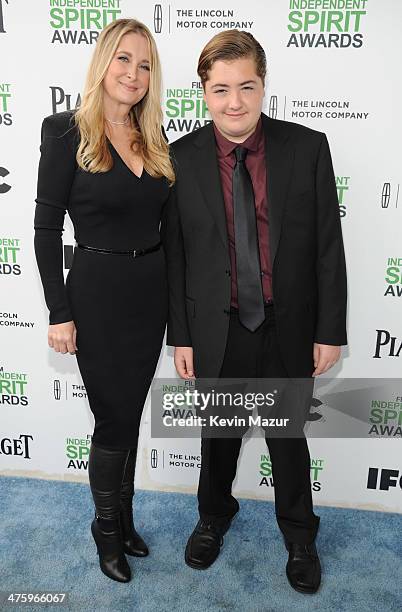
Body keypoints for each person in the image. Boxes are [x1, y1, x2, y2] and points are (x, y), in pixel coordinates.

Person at [161, 30, 347, 594]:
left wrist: (329, 331)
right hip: (216, 329)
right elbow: (177, 257)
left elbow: (327, 249)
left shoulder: (307, 147)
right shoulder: (179, 159)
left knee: (288, 439)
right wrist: (182, 336)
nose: (234, 102)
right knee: (217, 438)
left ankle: (299, 532)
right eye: (220, 90)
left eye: (246, 86)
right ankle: (214, 515)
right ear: (203, 92)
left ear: (264, 85)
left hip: (285, 325)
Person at [34, 18, 174, 583]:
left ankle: (126, 518)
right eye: (123, 59)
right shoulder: (65, 131)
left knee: (130, 415)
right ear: (102, 63)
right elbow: (45, 231)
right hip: (95, 296)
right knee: (112, 421)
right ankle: (106, 529)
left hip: (150, 298)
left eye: (144, 64)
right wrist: (59, 311)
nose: (133, 74)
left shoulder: (154, 138)